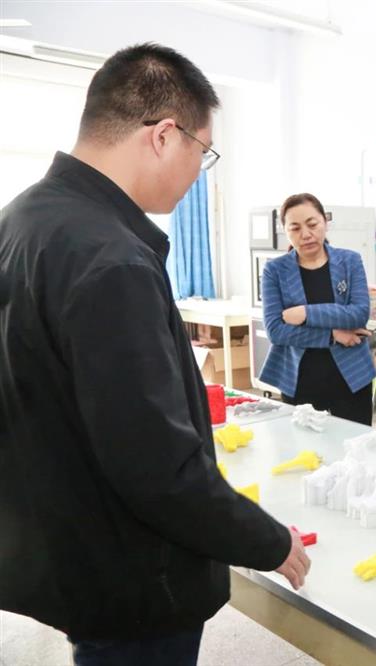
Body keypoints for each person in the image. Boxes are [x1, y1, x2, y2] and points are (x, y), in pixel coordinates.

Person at [0, 43, 309, 666]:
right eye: (204, 151)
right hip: (131, 573)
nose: (200, 171)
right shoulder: (111, 259)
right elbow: (155, 467)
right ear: (165, 136)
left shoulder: (22, 220)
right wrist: (267, 540)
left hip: (65, 541)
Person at [260, 193, 376, 425]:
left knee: (356, 440)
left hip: (352, 375)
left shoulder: (350, 261)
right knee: (304, 443)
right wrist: (332, 335)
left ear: (325, 222)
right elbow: (276, 331)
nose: (305, 234)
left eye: (312, 224)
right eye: (295, 228)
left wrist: (306, 313)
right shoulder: (275, 270)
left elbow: (359, 313)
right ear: (285, 231)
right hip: (300, 377)